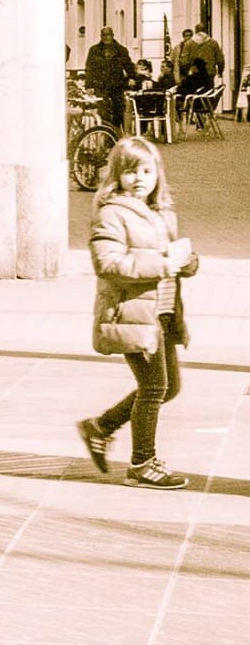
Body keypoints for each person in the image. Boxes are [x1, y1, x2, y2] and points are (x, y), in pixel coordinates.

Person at [78, 135, 196, 491]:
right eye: (131, 171)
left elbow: (167, 262)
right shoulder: (111, 212)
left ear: (157, 174)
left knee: (168, 386)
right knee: (154, 386)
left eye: (147, 170)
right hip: (130, 316)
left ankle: (100, 427)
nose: (140, 178)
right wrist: (162, 263)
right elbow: (108, 263)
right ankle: (142, 463)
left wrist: (186, 263)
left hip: (159, 314)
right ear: (117, 175)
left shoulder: (159, 213)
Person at [83, 26, 135, 128]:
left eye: (108, 35)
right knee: (103, 109)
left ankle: (116, 131)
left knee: (118, 110)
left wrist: (132, 77)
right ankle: (106, 131)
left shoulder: (121, 50)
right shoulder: (94, 50)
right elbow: (89, 68)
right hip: (101, 85)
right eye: (104, 35)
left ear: (112, 36)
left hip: (117, 85)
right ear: (100, 36)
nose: (106, 37)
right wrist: (89, 85)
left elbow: (128, 65)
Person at [188, 22, 227, 95]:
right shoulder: (213, 43)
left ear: (195, 31)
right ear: (206, 30)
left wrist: (187, 72)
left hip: (193, 75)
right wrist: (220, 71)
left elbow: (184, 61)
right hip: (209, 74)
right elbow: (220, 59)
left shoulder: (189, 43)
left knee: (194, 95)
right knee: (207, 95)